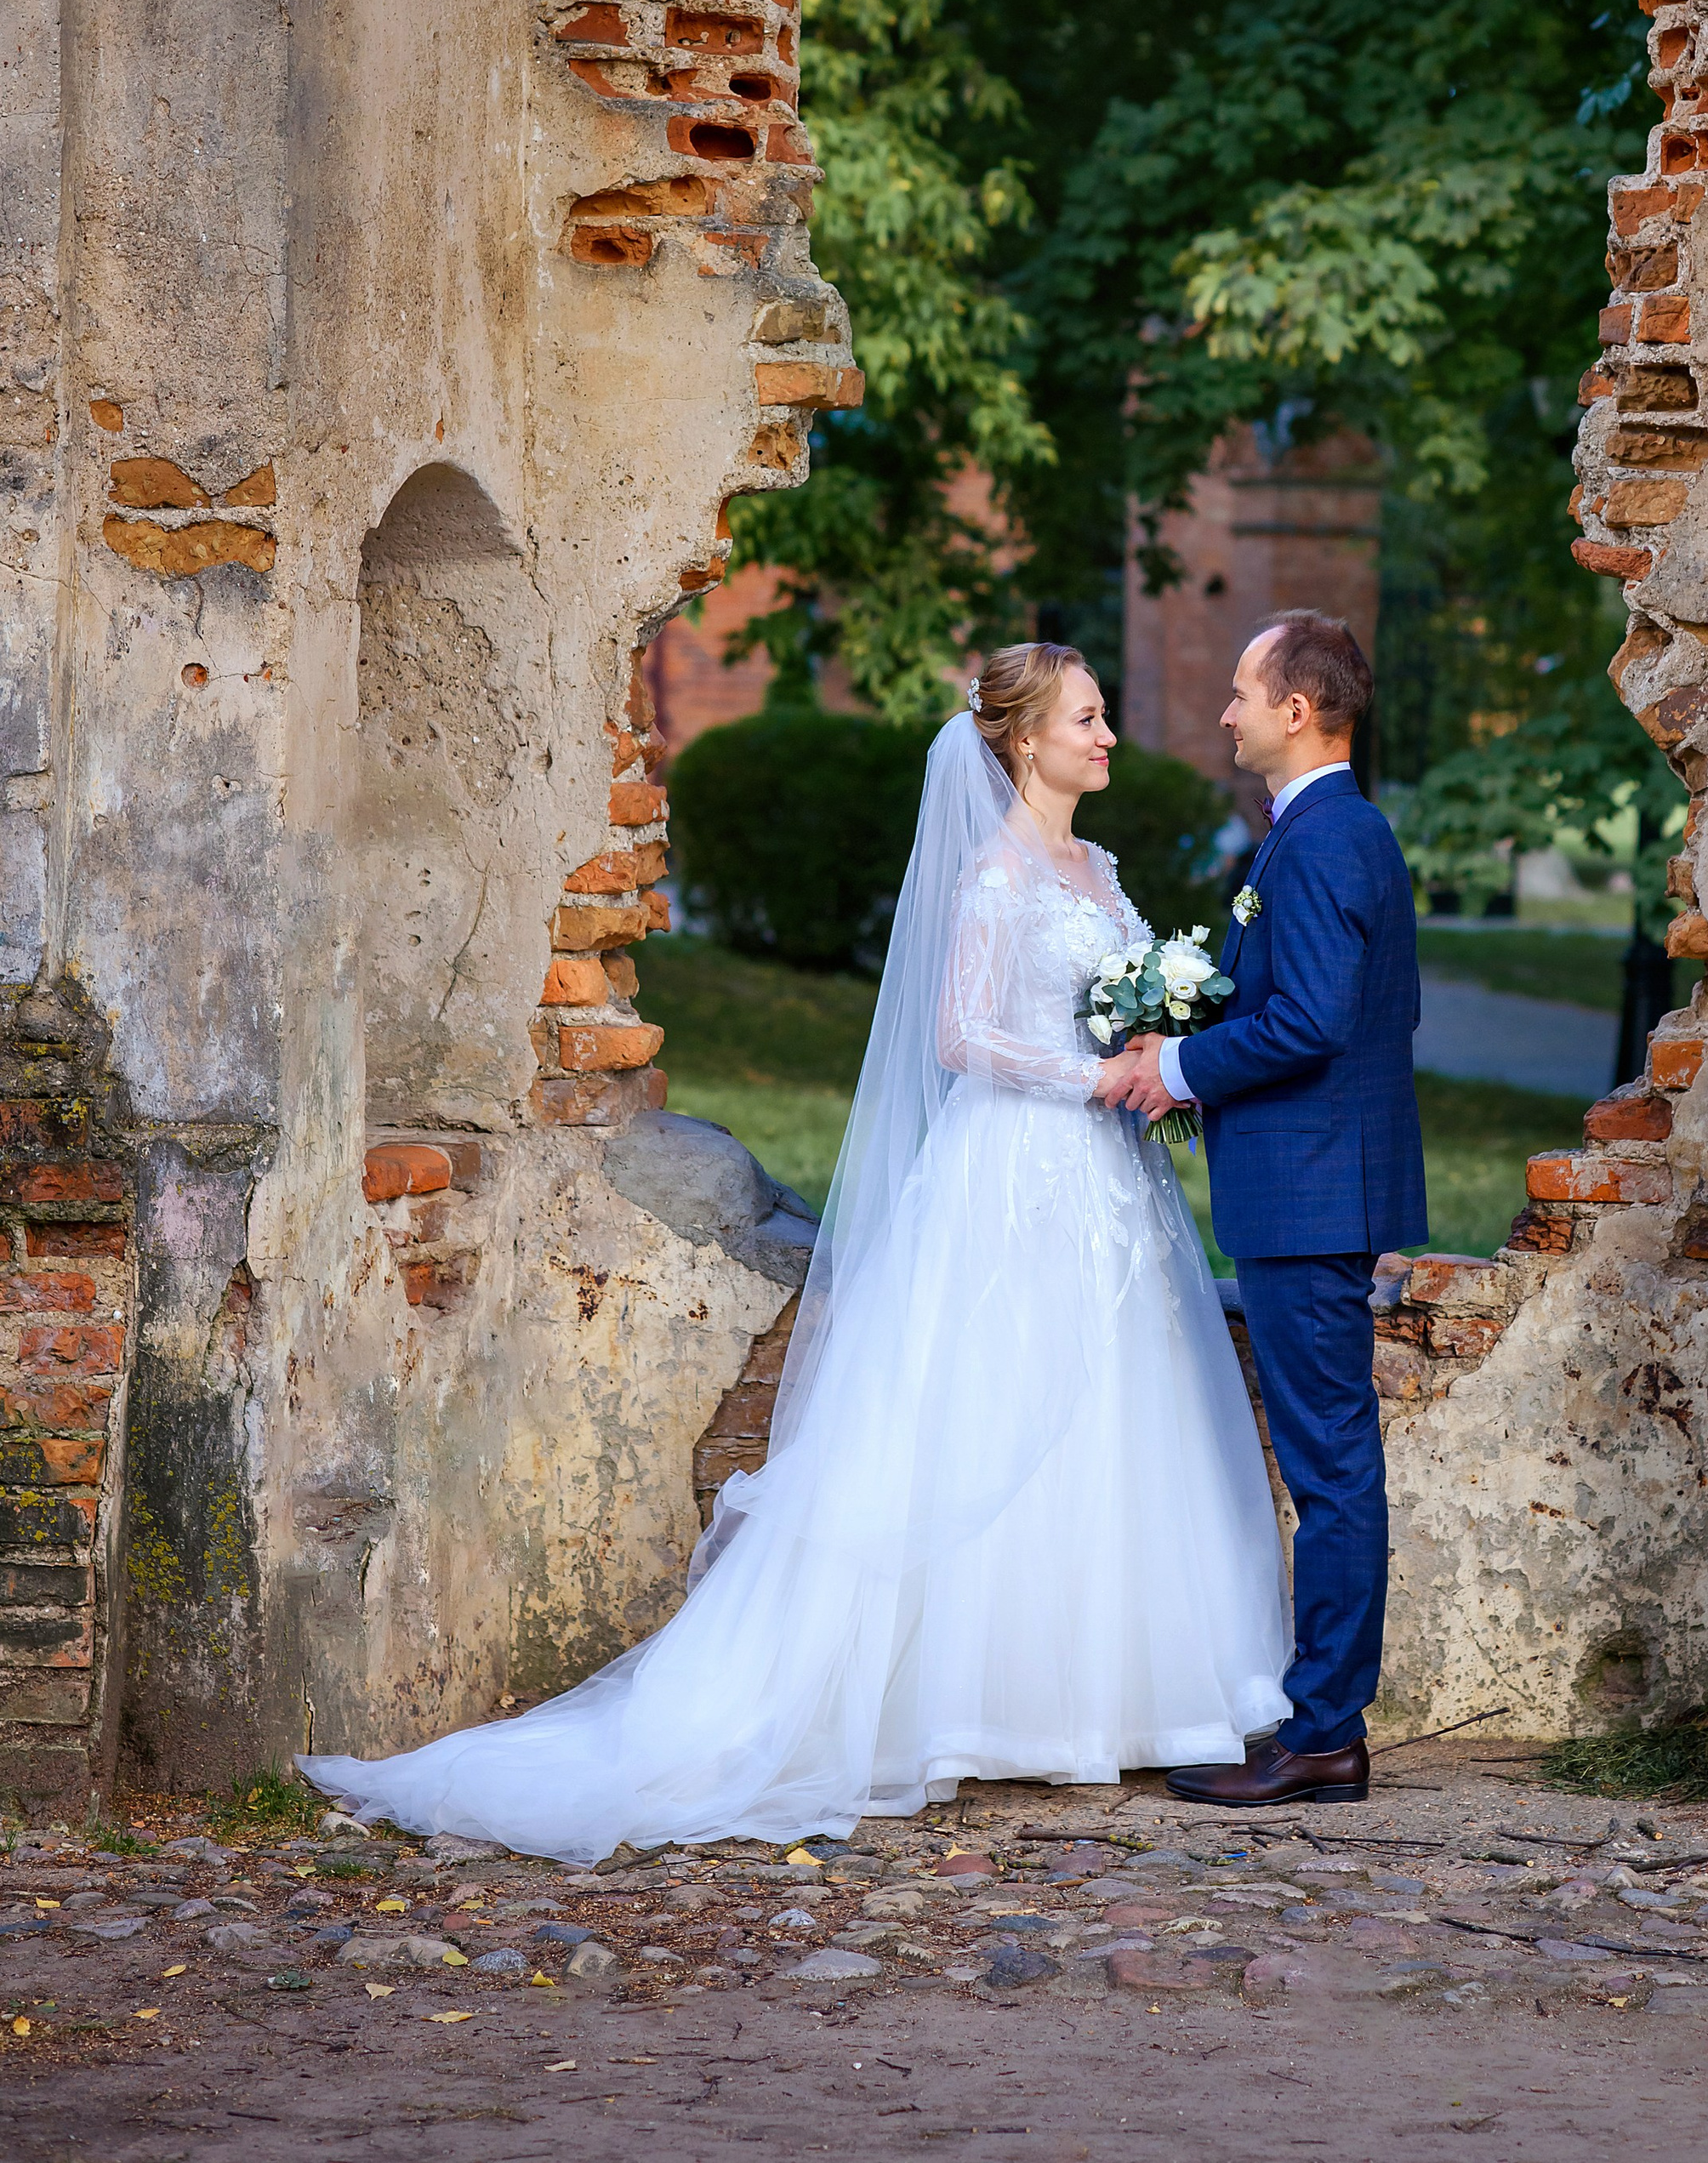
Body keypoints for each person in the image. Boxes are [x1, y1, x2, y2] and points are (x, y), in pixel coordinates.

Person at [301, 646, 1290, 1858]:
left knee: (1112, 1414)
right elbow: (964, 1034)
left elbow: (1129, 998)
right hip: (1014, 1170)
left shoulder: (1100, 868)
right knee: (983, 1413)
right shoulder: (990, 877)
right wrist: (1097, 1072)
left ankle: (1101, 1698)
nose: (1108, 738)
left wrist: (1155, 1040)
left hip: (1105, 1186)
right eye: (1088, 719)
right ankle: (962, 1706)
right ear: (1024, 742)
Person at [1102, 609, 1425, 1807]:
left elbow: (1316, 1023)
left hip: (1312, 1193)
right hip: (1312, 1182)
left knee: (1331, 1466)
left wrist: (1179, 1071)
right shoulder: (1319, 832)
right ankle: (1317, 1720)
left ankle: (1326, 1731)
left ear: (1298, 710)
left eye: (1243, 694)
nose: (1226, 713)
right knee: (1328, 1459)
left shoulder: (1331, 839)